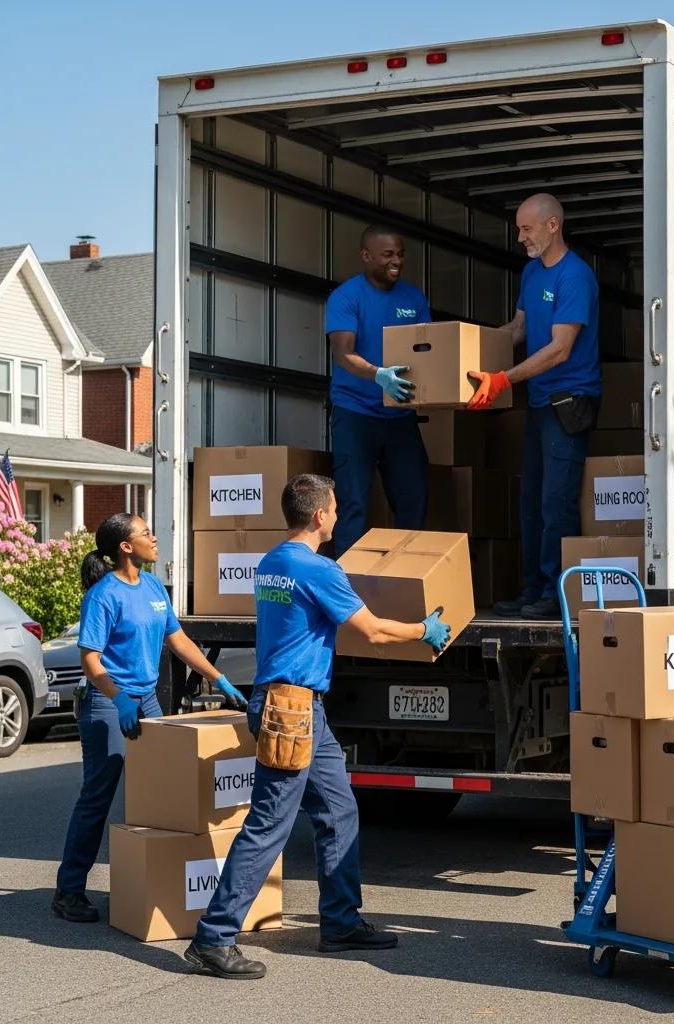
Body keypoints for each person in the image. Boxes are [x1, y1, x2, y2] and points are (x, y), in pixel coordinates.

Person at [184, 474, 451, 980]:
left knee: (339, 810)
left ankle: (341, 923)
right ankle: (213, 938)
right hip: (292, 708)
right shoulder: (319, 569)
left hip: (300, 709)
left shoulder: (272, 563)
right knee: (269, 825)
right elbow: (370, 630)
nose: (336, 514)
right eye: (334, 508)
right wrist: (424, 630)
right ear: (318, 516)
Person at [53, 513, 246, 923]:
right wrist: (120, 698)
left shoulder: (154, 586)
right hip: (110, 702)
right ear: (125, 546)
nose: (154, 538)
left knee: (159, 792)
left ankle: (148, 880)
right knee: (98, 794)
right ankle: (69, 890)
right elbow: (89, 659)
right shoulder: (103, 595)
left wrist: (220, 679)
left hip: (146, 701)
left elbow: (177, 640)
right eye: (145, 533)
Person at [467, 193, 600, 620]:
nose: (520, 236)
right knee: (531, 499)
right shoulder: (530, 272)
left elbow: (560, 349)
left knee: (555, 502)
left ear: (552, 226)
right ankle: (532, 589)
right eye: (519, 228)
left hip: (569, 402)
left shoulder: (575, 276)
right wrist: (471, 355)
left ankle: (554, 593)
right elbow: (518, 329)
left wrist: (503, 378)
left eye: (526, 228)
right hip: (542, 402)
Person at [327, 224, 432, 555]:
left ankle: (408, 581)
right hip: (355, 413)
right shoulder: (347, 297)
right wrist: (379, 375)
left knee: (413, 497)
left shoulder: (414, 297)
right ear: (366, 255)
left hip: (400, 415)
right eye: (388, 254)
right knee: (353, 503)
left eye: (400, 254)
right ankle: (347, 594)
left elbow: (430, 348)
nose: (396, 261)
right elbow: (343, 352)